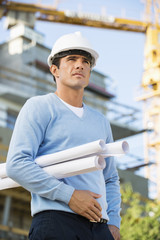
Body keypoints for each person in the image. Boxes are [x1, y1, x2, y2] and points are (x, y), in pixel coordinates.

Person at [6, 31, 121, 240]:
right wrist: (70, 196)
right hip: (56, 222)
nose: (80, 65)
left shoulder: (101, 121)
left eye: (86, 61)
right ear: (54, 70)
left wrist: (113, 222)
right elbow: (17, 163)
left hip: (100, 228)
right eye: (71, 59)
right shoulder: (39, 107)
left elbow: (110, 178)